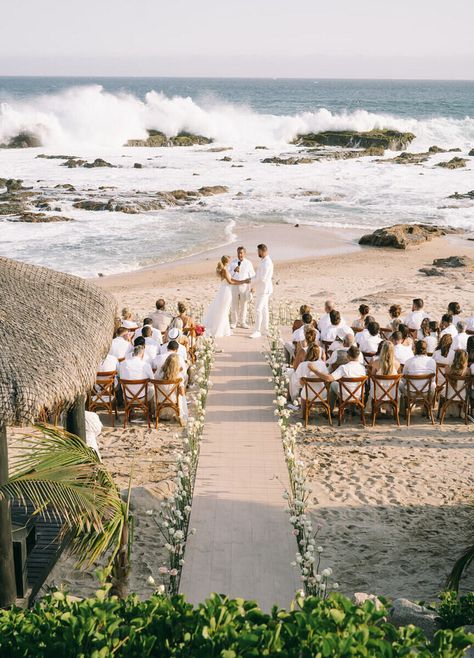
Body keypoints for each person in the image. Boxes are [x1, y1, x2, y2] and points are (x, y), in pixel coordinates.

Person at [203, 255, 250, 338]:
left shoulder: (225, 269)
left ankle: (224, 328)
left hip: (225, 290)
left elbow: (231, 279)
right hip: (226, 291)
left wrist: (242, 281)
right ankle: (219, 329)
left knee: (225, 309)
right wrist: (243, 282)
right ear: (227, 261)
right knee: (223, 310)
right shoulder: (224, 270)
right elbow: (230, 282)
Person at [310, 345, 366, 411]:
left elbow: (328, 378)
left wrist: (315, 370)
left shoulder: (344, 368)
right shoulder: (362, 368)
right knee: (354, 386)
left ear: (348, 356)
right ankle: (352, 410)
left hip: (345, 395)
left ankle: (330, 410)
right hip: (358, 395)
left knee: (333, 384)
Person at [154, 353, 189, 425]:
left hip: (160, 400)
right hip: (173, 401)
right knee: (181, 394)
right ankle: (179, 414)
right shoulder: (178, 376)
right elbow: (182, 393)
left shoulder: (158, 373)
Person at [294, 344, 329, 414]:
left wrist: (306, 384)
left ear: (308, 353)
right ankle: (326, 412)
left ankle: (304, 414)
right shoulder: (322, 364)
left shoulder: (302, 365)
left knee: (303, 391)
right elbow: (326, 379)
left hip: (308, 395)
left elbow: (299, 383)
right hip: (322, 394)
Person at [250, 244, 274, 339]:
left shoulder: (267, 263)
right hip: (262, 288)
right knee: (264, 310)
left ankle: (257, 331)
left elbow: (262, 278)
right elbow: (258, 276)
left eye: (258, 251)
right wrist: (252, 282)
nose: (257, 253)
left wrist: (251, 282)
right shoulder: (263, 261)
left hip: (264, 289)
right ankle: (265, 329)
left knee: (258, 309)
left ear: (262, 251)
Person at [228, 246, 255, 329]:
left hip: (244, 286)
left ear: (244, 253)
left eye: (241, 253)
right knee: (234, 304)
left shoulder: (248, 263)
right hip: (234, 285)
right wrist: (234, 270)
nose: (240, 254)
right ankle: (234, 322)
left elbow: (253, 275)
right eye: (238, 253)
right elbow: (228, 275)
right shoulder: (233, 263)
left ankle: (243, 322)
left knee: (244, 305)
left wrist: (252, 287)